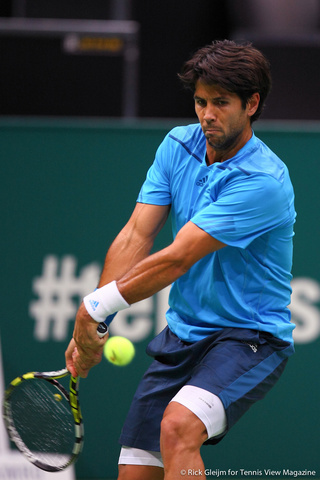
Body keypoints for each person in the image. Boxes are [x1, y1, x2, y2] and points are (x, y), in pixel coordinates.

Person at [65, 39, 296, 480]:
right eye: (200, 101)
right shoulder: (178, 145)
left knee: (177, 427)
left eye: (221, 103)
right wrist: (96, 325)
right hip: (183, 334)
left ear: (252, 104)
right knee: (135, 472)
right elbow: (137, 234)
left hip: (249, 337)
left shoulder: (262, 180)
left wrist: (94, 306)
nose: (207, 114)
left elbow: (176, 259)